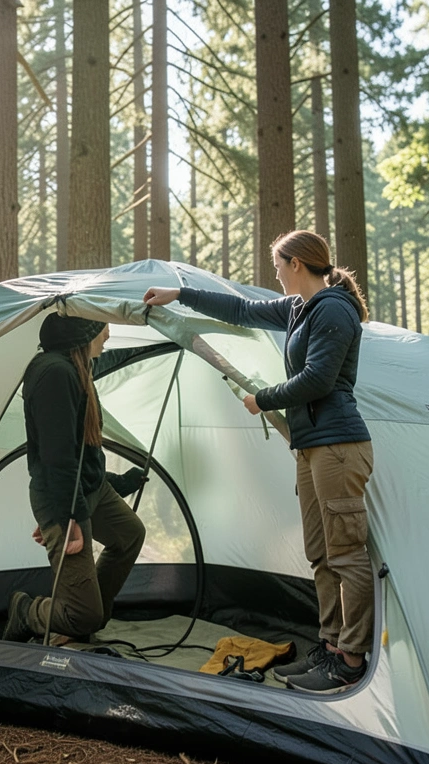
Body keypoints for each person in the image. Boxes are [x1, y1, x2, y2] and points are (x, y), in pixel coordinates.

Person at [143, 230, 374, 694]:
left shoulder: (332, 309)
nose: (276, 275)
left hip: (338, 446)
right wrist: (180, 294)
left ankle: (351, 657)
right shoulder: (298, 308)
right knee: (320, 553)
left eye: (278, 266)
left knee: (346, 555)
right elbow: (242, 309)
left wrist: (261, 399)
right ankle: (330, 647)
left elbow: (318, 379)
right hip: (310, 447)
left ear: (296, 264)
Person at [2, 314, 148, 645]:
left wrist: (118, 482)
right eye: (103, 325)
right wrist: (68, 517)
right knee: (83, 614)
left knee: (129, 535)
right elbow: (58, 457)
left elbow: (83, 455)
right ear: (84, 330)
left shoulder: (76, 366)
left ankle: (81, 621)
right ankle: (29, 611)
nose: (108, 333)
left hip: (88, 489)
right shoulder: (55, 373)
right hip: (65, 499)